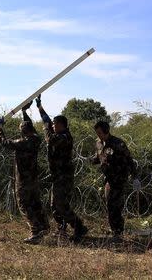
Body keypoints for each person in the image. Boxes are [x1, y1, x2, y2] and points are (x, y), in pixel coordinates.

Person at [36, 95, 88, 242]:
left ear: (62, 125)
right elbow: (46, 120)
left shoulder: (65, 137)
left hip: (64, 177)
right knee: (54, 205)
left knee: (61, 204)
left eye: (55, 124)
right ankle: (62, 229)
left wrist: (46, 127)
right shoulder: (58, 133)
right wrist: (40, 107)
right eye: (53, 124)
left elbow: (49, 139)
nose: (52, 126)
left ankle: (79, 227)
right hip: (57, 176)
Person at [0, 101, 49, 244]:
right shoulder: (36, 139)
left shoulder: (21, 142)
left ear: (23, 132)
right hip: (33, 179)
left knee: (24, 205)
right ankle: (44, 227)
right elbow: (29, 126)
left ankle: (35, 231)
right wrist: (25, 113)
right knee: (35, 203)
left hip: (23, 181)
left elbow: (4, 142)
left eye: (21, 129)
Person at [90, 121, 137, 239]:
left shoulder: (118, 143)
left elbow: (129, 159)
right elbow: (98, 157)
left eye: (99, 132)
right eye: (97, 133)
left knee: (115, 205)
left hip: (119, 179)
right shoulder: (99, 144)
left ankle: (118, 232)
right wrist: (91, 159)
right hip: (108, 180)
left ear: (106, 131)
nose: (98, 135)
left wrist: (135, 176)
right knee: (110, 205)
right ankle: (115, 230)